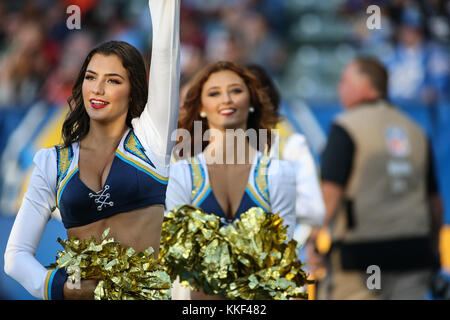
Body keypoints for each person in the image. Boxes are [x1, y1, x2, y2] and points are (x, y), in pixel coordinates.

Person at [4, 0, 180, 300]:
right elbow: (15, 257)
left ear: (133, 90)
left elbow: (165, 50)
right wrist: (61, 288)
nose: (97, 89)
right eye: (90, 77)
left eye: (113, 81)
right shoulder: (53, 162)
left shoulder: (152, 140)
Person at [312, 56, 443, 300]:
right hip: (413, 255)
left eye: (344, 81)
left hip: (361, 258)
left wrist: (311, 240)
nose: (339, 88)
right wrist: (434, 250)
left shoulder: (346, 126)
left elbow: (331, 194)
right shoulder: (415, 130)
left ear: (365, 84)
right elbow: (434, 201)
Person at [165, 61, 297, 300]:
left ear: (252, 102)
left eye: (236, 90)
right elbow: (180, 261)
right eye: (214, 93)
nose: (226, 99)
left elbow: (283, 263)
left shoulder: (277, 173)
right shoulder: (181, 174)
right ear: (202, 108)